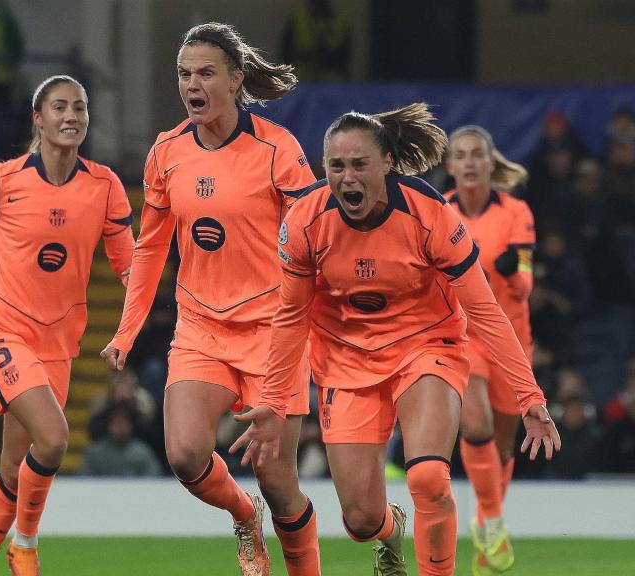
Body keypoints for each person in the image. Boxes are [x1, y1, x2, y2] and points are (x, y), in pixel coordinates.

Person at [231, 103, 561, 576]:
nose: (347, 177)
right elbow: (290, 317)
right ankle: (390, 533)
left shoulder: (430, 214)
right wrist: (274, 401)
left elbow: (485, 310)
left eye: (359, 164)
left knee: (427, 475)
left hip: (425, 348)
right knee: (361, 520)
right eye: (336, 165)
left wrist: (529, 394)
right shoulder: (305, 220)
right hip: (345, 362)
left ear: (386, 163)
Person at [101, 22, 320, 576]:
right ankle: (245, 518)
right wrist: (127, 330)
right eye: (183, 73)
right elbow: (150, 249)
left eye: (204, 73)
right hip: (201, 326)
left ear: (235, 81)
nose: (191, 84)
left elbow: (318, 242)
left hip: (274, 331)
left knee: (278, 479)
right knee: (184, 454)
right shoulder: (167, 152)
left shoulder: (278, 149)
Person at [0, 75, 134, 576]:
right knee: (54, 439)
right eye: (59, 107)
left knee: (15, 467)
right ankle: (26, 545)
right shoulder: (2, 179)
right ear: (38, 118)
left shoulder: (105, 187)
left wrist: (141, 320)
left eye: (80, 108)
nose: (72, 116)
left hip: (58, 343)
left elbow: (129, 268)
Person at [444, 124, 537, 575]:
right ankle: (495, 520)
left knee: (500, 449)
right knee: (474, 424)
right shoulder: (439, 212)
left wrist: (512, 272)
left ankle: (487, 535)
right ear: (450, 166)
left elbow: (525, 280)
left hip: (511, 341)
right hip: (464, 336)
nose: (468, 163)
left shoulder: (515, 212)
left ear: (489, 161)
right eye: (459, 155)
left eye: (476, 154)